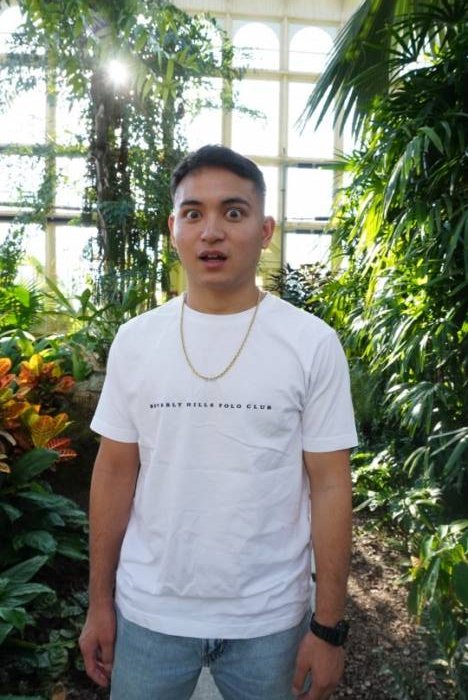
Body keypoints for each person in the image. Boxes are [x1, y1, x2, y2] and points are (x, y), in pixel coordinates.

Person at [79, 144, 358, 700]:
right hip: (149, 613)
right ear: (173, 229)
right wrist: (99, 602)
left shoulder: (311, 344)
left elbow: (331, 485)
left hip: (270, 620)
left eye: (233, 212)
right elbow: (114, 472)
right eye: (193, 213)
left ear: (265, 230)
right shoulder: (136, 341)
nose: (211, 232)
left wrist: (328, 627)